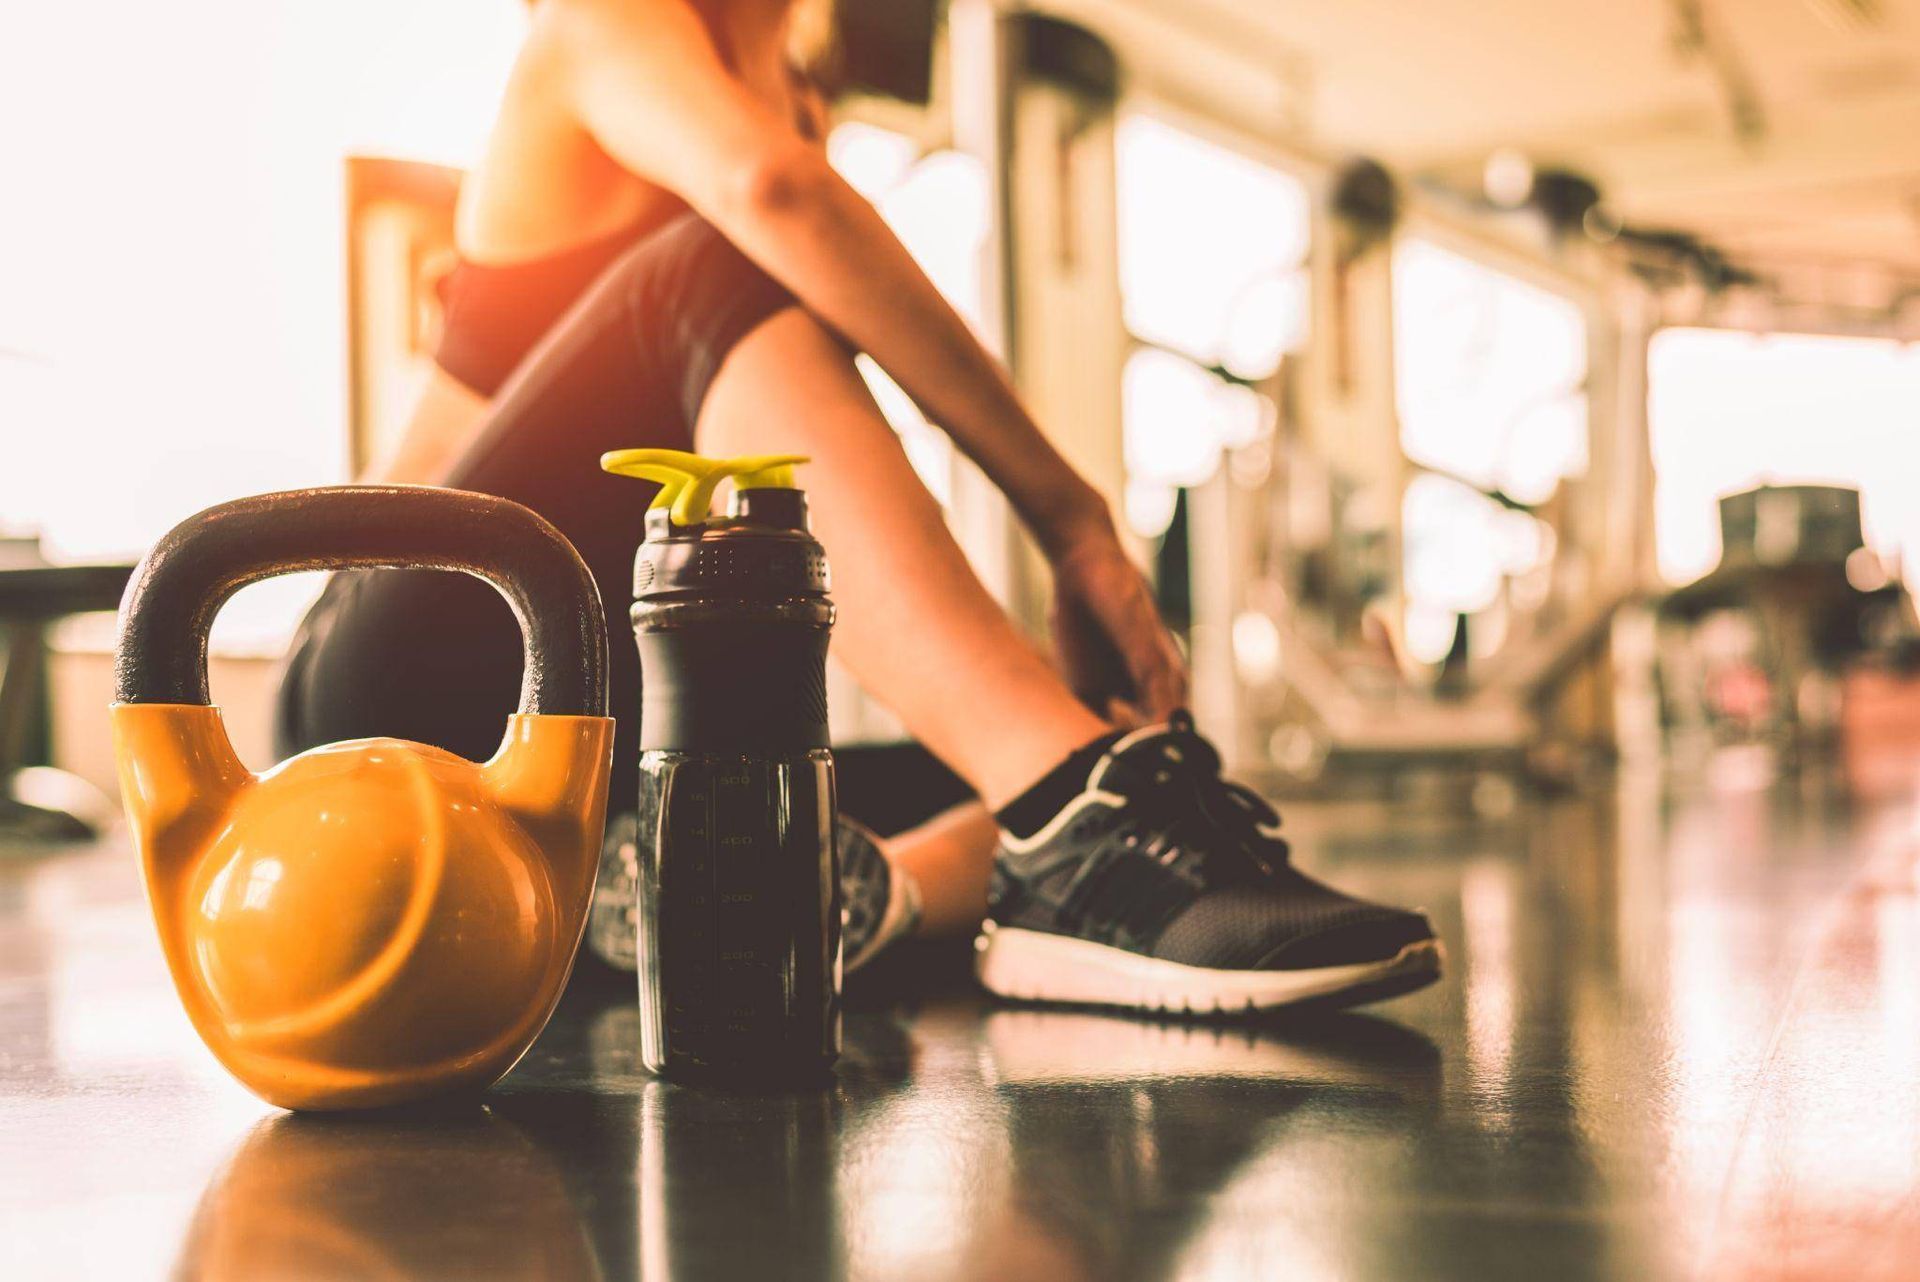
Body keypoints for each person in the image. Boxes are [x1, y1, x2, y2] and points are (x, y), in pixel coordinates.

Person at [276, 0, 1440, 1012]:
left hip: (609, 735)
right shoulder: (602, 23)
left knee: (1059, 718)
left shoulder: (787, 99)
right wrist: (1071, 515)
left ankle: (800, 896)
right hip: (400, 691)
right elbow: (770, 192)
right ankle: (1071, 826)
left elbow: (817, 444)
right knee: (708, 259)